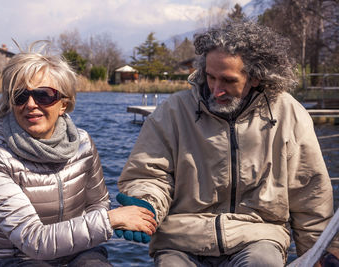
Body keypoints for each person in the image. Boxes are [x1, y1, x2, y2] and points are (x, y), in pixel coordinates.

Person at [117, 21, 339, 266]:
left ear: (256, 77)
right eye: (210, 77)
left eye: (228, 81)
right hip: (181, 240)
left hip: (258, 237)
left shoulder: (289, 114)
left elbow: (310, 193)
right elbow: (149, 174)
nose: (216, 90)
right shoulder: (172, 111)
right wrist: (145, 204)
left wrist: (320, 254)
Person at [0, 42, 156, 267]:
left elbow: (97, 203)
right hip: (19, 259)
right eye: (20, 96)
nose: (30, 104)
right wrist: (113, 219)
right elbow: (34, 240)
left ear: (63, 104)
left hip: (81, 252)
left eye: (44, 95)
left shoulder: (83, 144)